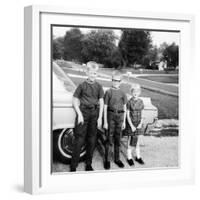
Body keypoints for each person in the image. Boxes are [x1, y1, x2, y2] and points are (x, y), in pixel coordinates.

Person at [70, 61, 104, 172]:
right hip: (83, 113)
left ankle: (88, 164)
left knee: (92, 139)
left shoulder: (99, 86)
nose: (93, 75)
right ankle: (73, 165)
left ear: (96, 74)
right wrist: (79, 114)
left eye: (95, 73)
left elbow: (101, 102)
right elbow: (75, 100)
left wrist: (99, 117)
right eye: (91, 73)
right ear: (87, 73)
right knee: (79, 139)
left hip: (94, 113)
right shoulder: (82, 85)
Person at [103, 70, 127, 170]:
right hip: (110, 116)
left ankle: (117, 159)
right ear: (111, 80)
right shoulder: (108, 92)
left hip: (120, 117)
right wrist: (105, 121)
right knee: (109, 139)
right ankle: (107, 160)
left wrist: (124, 121)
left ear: (120, 82)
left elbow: (125, 108)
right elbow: (104, 107)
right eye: (114, 80)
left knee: (118, 139)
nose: (116, 82)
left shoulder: (123, 93)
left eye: (118, 81)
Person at [125, 83, 145, 166]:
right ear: (131, 92)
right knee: (130, 142)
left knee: (137, 141)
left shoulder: (141, 101)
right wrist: (131, 126)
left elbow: (142, 113)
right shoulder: (129, 102)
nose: (135, 93)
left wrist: (140, 123)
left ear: (139, 92)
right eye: (134, 92)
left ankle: (138, 156)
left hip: (138, 124)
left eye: (137, 91)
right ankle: (129, 157)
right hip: (131, 124)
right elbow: (127, 115)